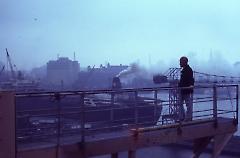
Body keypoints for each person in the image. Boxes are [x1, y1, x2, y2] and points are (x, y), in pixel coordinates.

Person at [178, 56, 194, 121]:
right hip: (183, 90)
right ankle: (185, 117)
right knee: (182, 104)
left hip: (185, 90)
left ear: (184, 62)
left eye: (180, 62)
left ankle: (186, 118)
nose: (179, 63)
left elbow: (190, 79)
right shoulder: (186, 69)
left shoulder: (188, 70)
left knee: (187, 105)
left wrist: (191, 85)